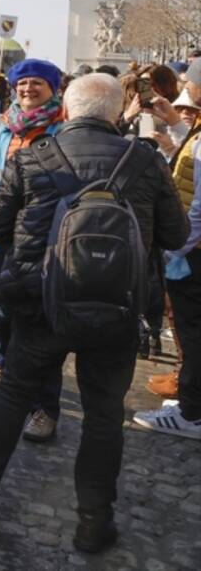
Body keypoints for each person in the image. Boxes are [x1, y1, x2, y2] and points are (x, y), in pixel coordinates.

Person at [0, 73, 188, 553]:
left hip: (40, 303)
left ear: (67, 110)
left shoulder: (34, 156)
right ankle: (92, 522)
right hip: (118, 307)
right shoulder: (145, 161)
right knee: (104, 416)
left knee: (15, 395)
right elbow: (174, 233)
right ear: (112, 113)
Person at [0, 59, 66, 439]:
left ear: (53, 88)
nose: (28, 89)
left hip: (42, 233)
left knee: (38, 318)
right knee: (2, 303)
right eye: (22, 83)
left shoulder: (63, 128)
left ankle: (43, 403)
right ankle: (1, 358)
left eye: (37, 83)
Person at [134, 58, 201, 439]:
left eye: (190, 82)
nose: (185, 86)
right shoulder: (195, 129)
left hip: (194, 250)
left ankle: (192, 413)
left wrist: (178, 247)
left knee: (193, 332)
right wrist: (174, 124)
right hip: (192, 245)